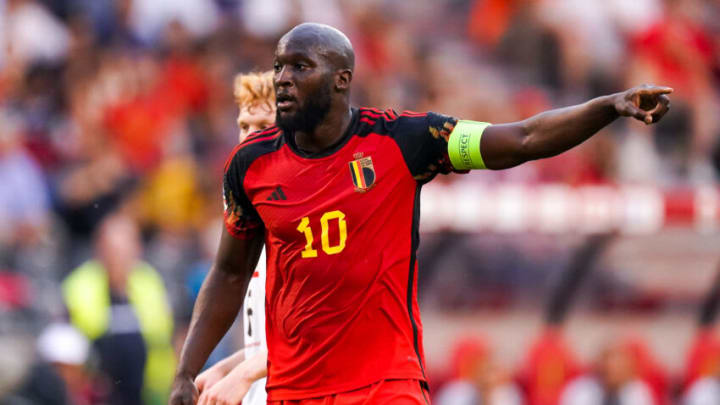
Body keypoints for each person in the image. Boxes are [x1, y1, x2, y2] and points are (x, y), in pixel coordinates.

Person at [170, 22, 671, 405]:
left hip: (385, 386)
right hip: (294, 392)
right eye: (280, 66)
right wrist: (184, 373)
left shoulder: (401, 141)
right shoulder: (250, 165)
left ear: (342, 79)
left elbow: (520, 138)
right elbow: (230, 271)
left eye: (301, 67)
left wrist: (609, 106)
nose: (282, 78)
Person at [192, 71, 275, 405]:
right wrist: (230, 366)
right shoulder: (252, 218)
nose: (250, 139)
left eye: (264, 127)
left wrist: (243, 373)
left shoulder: (312, 222)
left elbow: (324, 339)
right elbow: (274, 343)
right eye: (244, 127)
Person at [63, 213, 175, 405]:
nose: (119, 256)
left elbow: (163, 334)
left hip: (149, 389)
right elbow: (79, 338)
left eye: (125, 249)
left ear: (137, 249)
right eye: (112, 249)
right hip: (97, 388)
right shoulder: (79, 285)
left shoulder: (150, 281)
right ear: (99, 249)